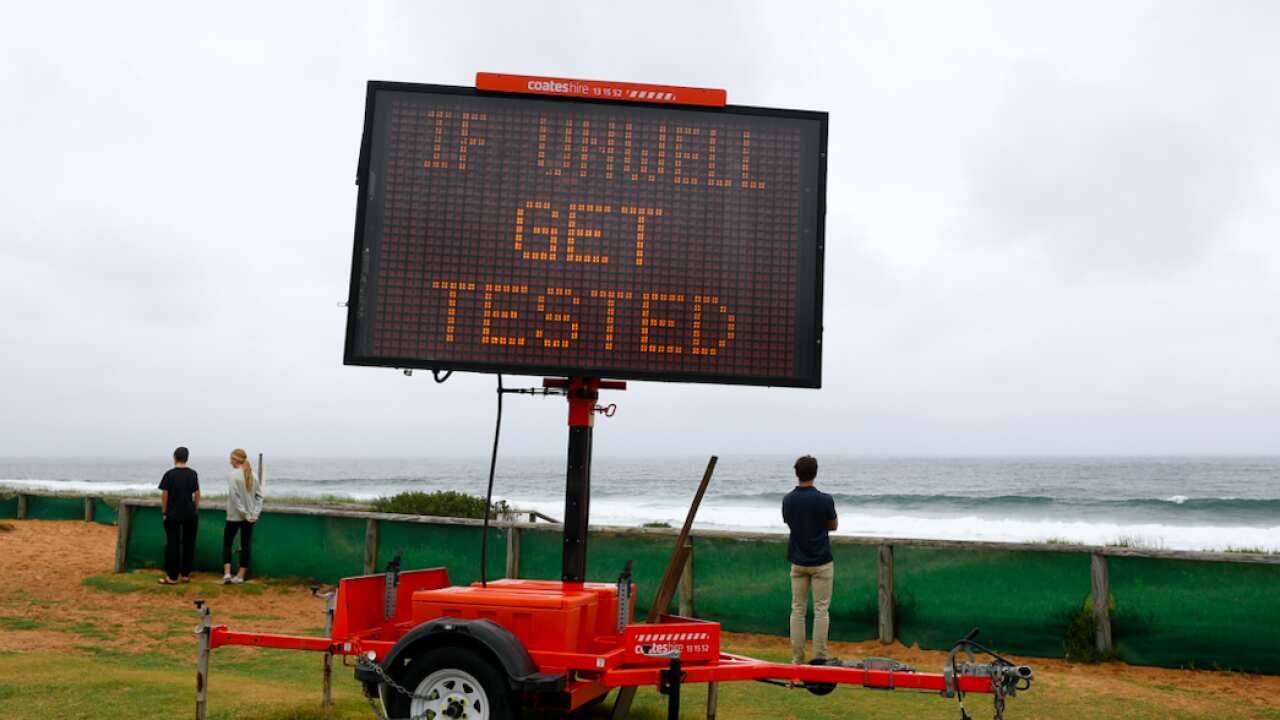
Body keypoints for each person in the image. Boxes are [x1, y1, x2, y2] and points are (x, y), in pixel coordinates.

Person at [782, 455, 837, 665]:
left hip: (798, 560)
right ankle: (819, 658)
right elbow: (833, 525)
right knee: (821, 610)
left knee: (797, 610)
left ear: (797, 473)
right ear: (815, 473)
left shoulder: (788, 499)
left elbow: (790, 523)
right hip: (822, 561)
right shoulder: (825, 499)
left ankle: (797, 659)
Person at [159, 446, 200, 584]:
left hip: (172, 514)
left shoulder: (169, 474)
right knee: (189, 544)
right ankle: (186, 574)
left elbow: (165, 494)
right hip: (190, 513)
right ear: (186, 458)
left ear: (174, 457)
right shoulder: (193, 474)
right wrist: (195, 509)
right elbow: (197, 493)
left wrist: (164, 512)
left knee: (173, 544)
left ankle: (172, 576)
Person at [222, 448, 263, 585]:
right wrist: (253, 514)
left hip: (234, 516)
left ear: (235, 459)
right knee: (246, 545)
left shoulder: (233, 475)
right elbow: (259, 496)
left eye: (230, 458)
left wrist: (245, 514)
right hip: (250, 517)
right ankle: (240, 575)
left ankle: (227, 574)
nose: (229, 461)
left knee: (227, 543)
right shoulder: (253, 474)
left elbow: (235, 498)